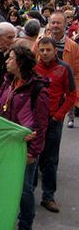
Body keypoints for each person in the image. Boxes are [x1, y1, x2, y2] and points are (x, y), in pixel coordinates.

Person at [0, 46, 49, 230]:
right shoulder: (8, 81)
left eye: (10, 58)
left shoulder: (37, 89)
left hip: (24, 148)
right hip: (6, 144)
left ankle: (25, 224)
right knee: (3, 185)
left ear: (20, 63)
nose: (7, 61)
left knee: (24, 190)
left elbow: (41, 125)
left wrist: (33, 152)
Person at [34, 37, 77, 212]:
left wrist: (58, 116)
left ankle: (48, 196)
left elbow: (72, 95)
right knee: (32, 159)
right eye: (41, 50)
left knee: (50, 160)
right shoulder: (33, 67)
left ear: (55, 50)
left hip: (53, 121)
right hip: (34, 121)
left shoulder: (64, 68)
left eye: (48, 50)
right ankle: (27, 195)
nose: (44, 53)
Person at [46, 11, 79, 128]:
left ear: (65, 24)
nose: (55, 25)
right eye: (53, 22)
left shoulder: (73, 46)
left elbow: (76, 71)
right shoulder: (40, 42)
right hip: (44, 90)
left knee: (55, 129)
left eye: (58, 23)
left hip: (62, 91)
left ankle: (70, 117)